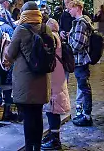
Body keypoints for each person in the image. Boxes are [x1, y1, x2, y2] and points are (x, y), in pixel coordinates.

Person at [3, 1, 52, 151]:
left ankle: (29, 147)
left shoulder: (21, 29)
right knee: (37, 114)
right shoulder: (46, 28)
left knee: (28, 116)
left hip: (25, 79)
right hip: (42, 77)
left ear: (23, 13)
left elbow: (10, 54)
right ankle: (37, 146)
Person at [43, 18, 71, 150]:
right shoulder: (58, 36)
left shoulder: (52, 38)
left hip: (54, 78)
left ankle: (55, 140)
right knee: (52, 109)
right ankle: (52, 135)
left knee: (53, 109)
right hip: (57, 76)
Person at [66, 0, 95, 126]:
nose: (69, 11)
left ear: (77, 8)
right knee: (83, 87)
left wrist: (68, 41)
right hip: (81, 59)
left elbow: (78, 44)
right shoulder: (82, 22)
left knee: (84, 88)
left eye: (71, 8)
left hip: (80, 59)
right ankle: (85, 113)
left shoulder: (80, 23)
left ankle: (87, 115)